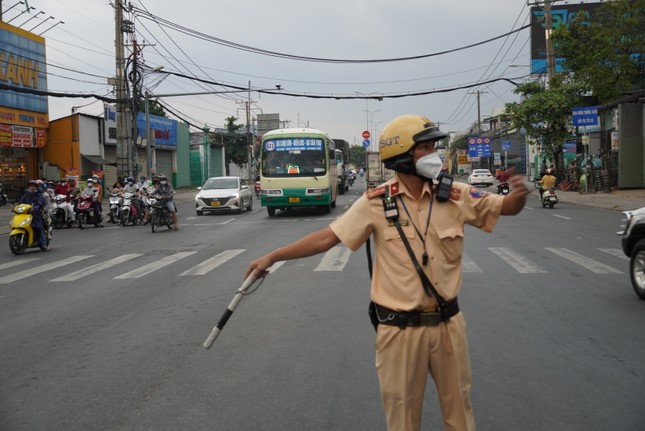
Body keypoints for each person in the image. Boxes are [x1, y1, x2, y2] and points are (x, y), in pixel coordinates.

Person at [244, 114, 528, 431]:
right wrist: (272, 256)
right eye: (427, 148)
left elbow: (505, 207)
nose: (435, 154)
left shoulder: (456, 195)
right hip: (399, 331)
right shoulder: (376, 204)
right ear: (404, 156)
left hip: (449, 326)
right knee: (402, 418)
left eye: (435, 146)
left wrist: (518, 195)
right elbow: (327, 238)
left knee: (460, 413)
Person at [18, 179, 48, 251]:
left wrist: (36, 207)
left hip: (36, 214)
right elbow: (20, 203)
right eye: (31, 186)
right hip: (25, 214)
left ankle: (43, 244)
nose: (32, 187)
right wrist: (17, 208)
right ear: (28, 187)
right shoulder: (25, 195)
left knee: (38, 228)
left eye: (34, 186)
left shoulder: (39, 195)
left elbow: (41, 203)